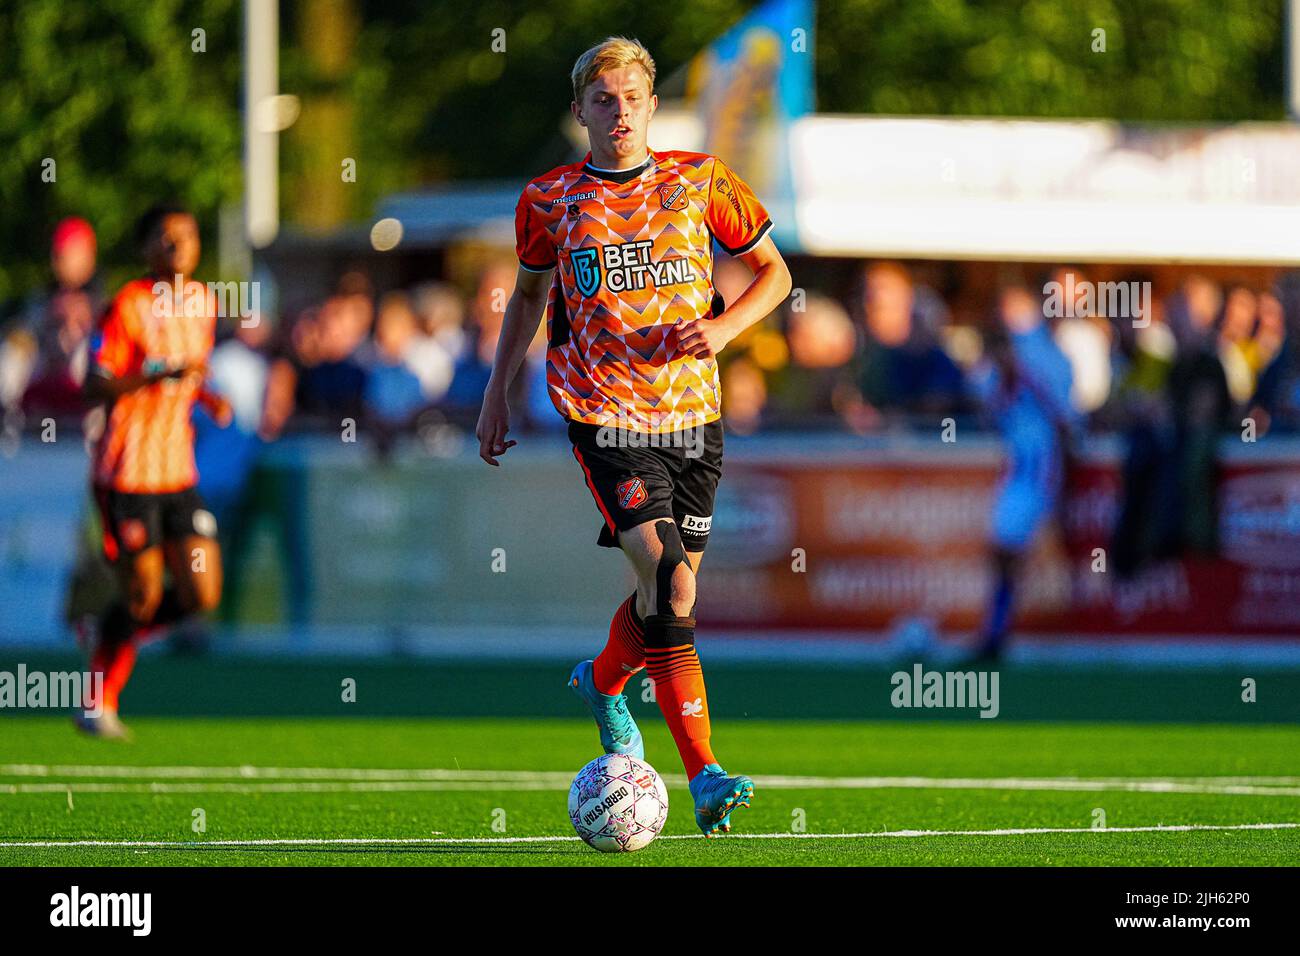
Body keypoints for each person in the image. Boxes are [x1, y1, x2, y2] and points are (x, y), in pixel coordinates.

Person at [476, 36, 791, 836]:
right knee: (673, 583)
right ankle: (704, 775)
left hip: (695, 416)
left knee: (668, 598)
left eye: (631, 99)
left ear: (653, 105)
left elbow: (777, 277)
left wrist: (724, 335)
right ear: (581, 109)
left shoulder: (701, 181)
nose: (618, 112)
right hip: (603, 412)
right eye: (602, 100)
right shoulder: (550, 200)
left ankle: (604, 682)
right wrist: (496, 395)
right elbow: (525, 301)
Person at [78, 202, 230, 738]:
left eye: (186, 236)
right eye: (166, 238)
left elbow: (190, 377)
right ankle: (100, 695)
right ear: (146, 248)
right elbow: (95, 383)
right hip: (128, 472)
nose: (178, 245)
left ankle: (112, 632)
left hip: (178, 474)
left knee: (201, 594)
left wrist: (208, 398)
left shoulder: (205, 303)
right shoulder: (128, 305)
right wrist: (155, 373)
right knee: (142, 594)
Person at [969, 287, 1078, 661]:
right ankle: (998, 630)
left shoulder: (1039, 364)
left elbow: (1065, 422)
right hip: (1021, 473)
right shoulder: (997, 372)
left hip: (1035, 473)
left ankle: (1001, 631)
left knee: (1011, 550)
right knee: (1005, 552)